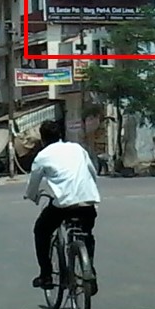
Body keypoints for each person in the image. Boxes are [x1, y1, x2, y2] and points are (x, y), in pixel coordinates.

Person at [24, 119, 100, 292]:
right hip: (87, 200)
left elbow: (33, 183)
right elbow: (92, 172)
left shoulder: (42, 156)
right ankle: (90, 271)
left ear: (42, 140)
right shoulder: (77, 149)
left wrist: (32, 196)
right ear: (60, 135)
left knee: (41, 230)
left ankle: (46, 275)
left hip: (64, 204)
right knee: (86, 233)